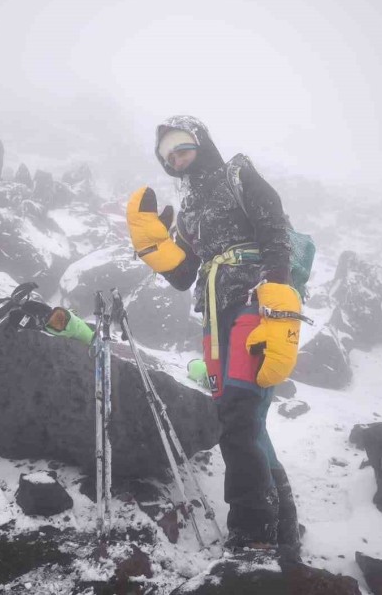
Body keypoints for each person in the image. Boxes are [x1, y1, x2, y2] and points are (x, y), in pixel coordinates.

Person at [125, 115, 305, 559]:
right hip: (215, 315)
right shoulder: (187, 212)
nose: (176, 158)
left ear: (200, 143)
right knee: (240, 418)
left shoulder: (237, 173)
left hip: (252, 300)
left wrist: (277, 293)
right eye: (167, 155)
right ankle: (283, 525)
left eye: (182, 147)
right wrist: (153, 244)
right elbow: (185, 274)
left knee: (240, 417)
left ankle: (253, 532)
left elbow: (274, 228)